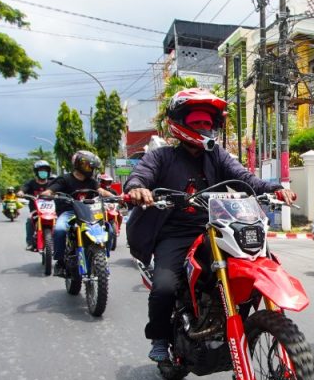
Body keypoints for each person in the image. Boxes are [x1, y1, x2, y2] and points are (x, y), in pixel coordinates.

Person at [125, 88, 296, 363]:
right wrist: (137, 189)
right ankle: (159, 336)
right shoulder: (162, 156)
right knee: (165, 286)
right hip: (176, 233)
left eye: (208, 123)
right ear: (180, 123)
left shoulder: (217, 156)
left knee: (253, 265)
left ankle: (238, 321)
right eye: (197, 122)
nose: (204, 128)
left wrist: (274, 189)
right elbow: (140, 175)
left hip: (215, 229)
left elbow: (244, 178)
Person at [42, 150, 116, 276]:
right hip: (69, 212)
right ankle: (59, 262)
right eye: (88, 166)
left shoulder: (91, 181)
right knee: (59, 230)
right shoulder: (64, 179)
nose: (91, 169)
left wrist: (116, 196)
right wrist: (47, 194)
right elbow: (52, 190)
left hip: (89, 213)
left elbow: (101, 191)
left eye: (92, 167)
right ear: (78, 164)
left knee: (109, 230)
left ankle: (103, 256)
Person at [21, 160, 54, 251]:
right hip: (35, 211)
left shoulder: (52, 183)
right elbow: (24, 189)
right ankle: (30, 243)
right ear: (36, 172)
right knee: (29, 220)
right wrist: (21, 192)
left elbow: (59, 189)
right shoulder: (31, 183)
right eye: (41, 170)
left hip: (51, 211)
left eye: (45, 170)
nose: (43, 172)